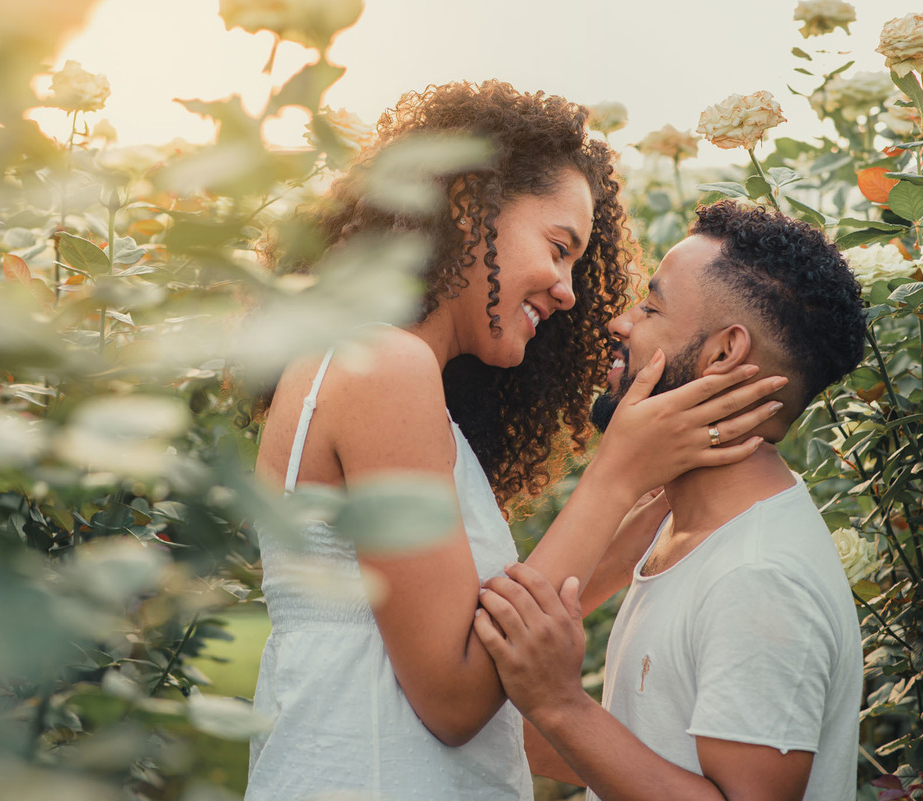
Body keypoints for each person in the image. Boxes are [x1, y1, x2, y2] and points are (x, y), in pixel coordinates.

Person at [247, 83, 786, 801]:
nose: (567, 290)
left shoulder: (384, 371)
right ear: (469, 205)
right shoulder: (384, 365)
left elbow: (499, 630)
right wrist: (616, 474)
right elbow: (454, 696)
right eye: (559, 248)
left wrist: (659, 489)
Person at [474, 200, 867, 801]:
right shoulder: (681, 525)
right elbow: (652, 757)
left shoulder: (759, 575)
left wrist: (560, 705)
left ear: (722, 354)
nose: (620, 324)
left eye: (651, 306)